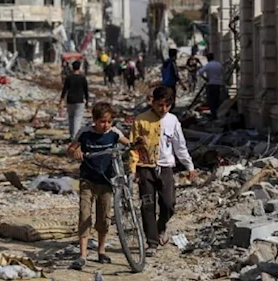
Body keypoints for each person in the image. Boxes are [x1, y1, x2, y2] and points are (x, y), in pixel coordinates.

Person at [67, 102, 138, 270]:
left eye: (108, 122)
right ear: (94, 120)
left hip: (107, 181)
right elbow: (70, 148)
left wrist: (136, 144)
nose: (105, 125)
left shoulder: (113, 133)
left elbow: (128, 144)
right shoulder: (85, 133)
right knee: (85, 214)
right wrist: (75, 152)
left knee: (104, 217)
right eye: (102, 122)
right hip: (87, 180)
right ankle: (83, 255)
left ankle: (101, 250)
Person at [128, 86, 197, 257]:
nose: (163, 109)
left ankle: (162, 226)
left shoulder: (173, 121)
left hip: (165, 168)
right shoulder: (141, 120)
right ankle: (152, 242)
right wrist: (133, 169)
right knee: (148, 205)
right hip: (145, 169)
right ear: (153, 102)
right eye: (160, 105)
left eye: (167, 106)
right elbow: (133, 147)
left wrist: (189, 166)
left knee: (168, 203)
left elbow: (179, 145)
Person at [59, 61, 89, 140]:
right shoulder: (82, 78)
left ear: (72, 67)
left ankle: (71, 135)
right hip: (79, 100)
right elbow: (86, 91)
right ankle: (75, 138)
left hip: (70, 100)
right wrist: (87, 101)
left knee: (71, 118)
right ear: (79, 67)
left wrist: (61, 100)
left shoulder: (68, 77)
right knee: (77, 119)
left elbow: (64, 90)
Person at [198, 53, 223, 119]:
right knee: (217, 99)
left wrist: (205, 78)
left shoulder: (208, 65)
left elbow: (200, 72)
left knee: (211, 100)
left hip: (211, 84)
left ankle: (213, 114)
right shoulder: (219, 64)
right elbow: (222, 72)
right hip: (218, 84)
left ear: (207, 58)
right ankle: (217, 113)